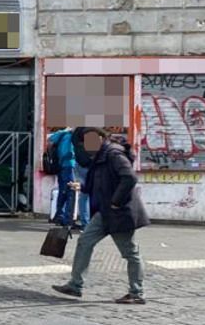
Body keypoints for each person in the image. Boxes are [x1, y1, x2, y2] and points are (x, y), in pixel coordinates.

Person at [52, 128, 149, 305]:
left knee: (130, 253)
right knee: (85, 241)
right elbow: (100, 181)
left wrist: (116, 201)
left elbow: (129, 178)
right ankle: (75, 285)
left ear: (101, 138)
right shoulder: (99, 155)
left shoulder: (113, 154)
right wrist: (82, 187)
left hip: (120, 213)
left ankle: (137, 293)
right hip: (104, 213)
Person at [48, 126, 89, 227]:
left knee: (63, 191)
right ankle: (68, 219)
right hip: (70, 165)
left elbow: (51, 139)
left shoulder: (62, 135)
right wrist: (76, 156)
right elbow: (68, 153)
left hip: (61, 166)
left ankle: (59, 216)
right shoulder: (71, 136)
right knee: (71, 191)